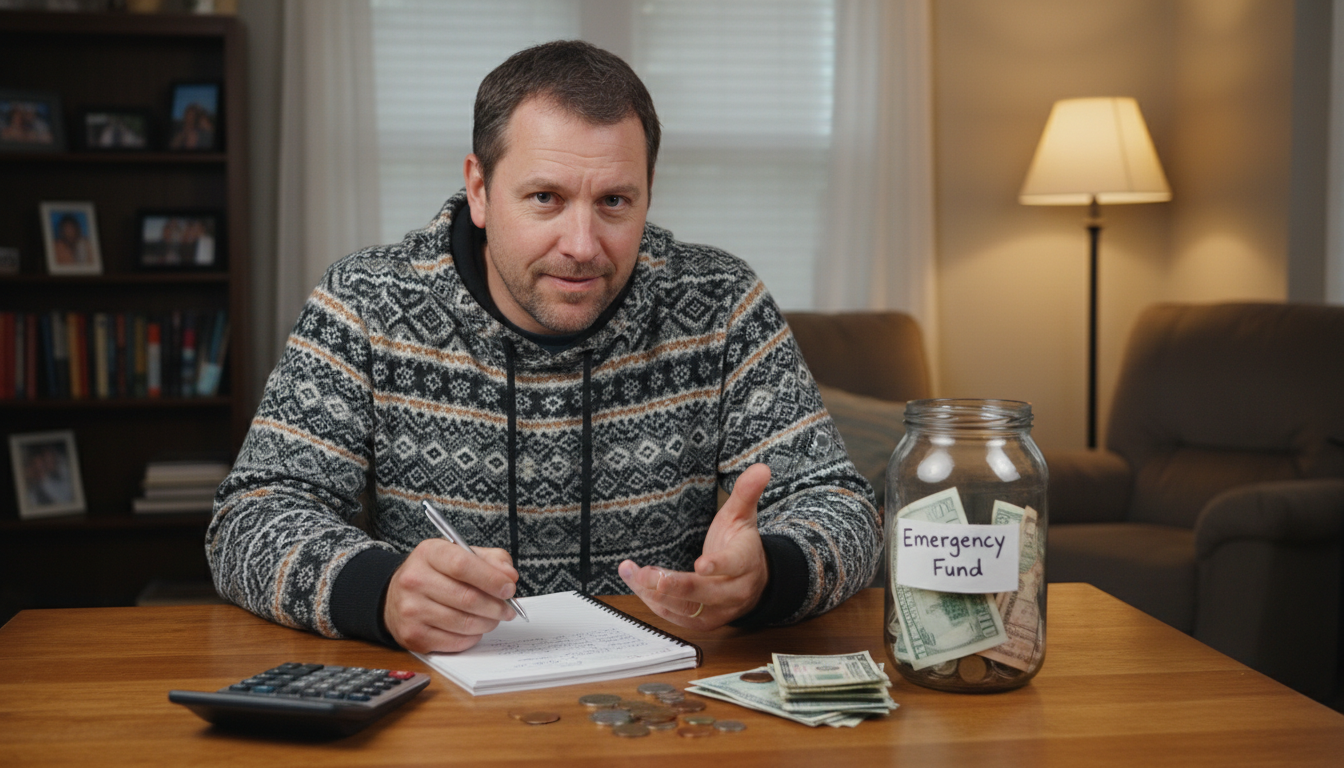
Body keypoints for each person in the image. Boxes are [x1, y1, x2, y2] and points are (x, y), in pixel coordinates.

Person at [208, 40, 881, 654]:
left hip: (661, 705)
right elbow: (250, 520)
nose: (582, 246)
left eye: (614, 201)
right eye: (545, 198)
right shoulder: (364, 303)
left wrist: (769, 575)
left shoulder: (723, 304)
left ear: (649, 194)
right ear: (479, 190)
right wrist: (379, 592)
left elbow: (845, 509)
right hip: (445, 704)